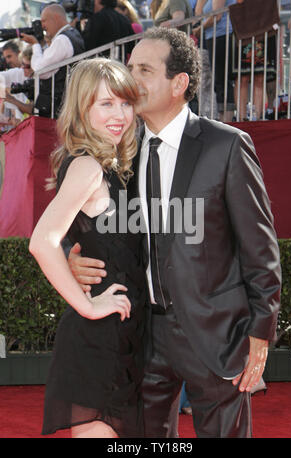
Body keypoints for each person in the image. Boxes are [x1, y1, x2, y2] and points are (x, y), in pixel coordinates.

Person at [69, 27, 281, 438]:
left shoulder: (227, 147)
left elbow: (261, 251)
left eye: (144, 70)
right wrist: (72, 256)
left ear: (179, 83)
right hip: (141, 333)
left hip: (216, 333)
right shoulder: (117, 149)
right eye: (129, 69)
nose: (130, 80)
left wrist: (260, 333)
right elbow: (73, 221)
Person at [29, 57, 146, 438]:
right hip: (99, 345)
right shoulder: (88, 167)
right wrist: (90, 306)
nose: (120, 114)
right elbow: (42, 241)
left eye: (126, 102)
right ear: (83, 109)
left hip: (123, 339)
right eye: (106, 104)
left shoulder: (113, 164)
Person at [21, 3, 85, 118]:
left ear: (56, 17)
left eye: (44, 21)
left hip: (61, 107)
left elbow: (40, 70)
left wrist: (35, 44)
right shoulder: (72, 34)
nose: (42, 26)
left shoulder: (62, 39)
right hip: (68, 102)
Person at [193, 0, 236, 122]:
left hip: (222, 36)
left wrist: (200, 29)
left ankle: (227, 121)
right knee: (219, 82)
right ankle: (223, 119)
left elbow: (217, 16)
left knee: (222, 81)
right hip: (213, 37)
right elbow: (198, 12)